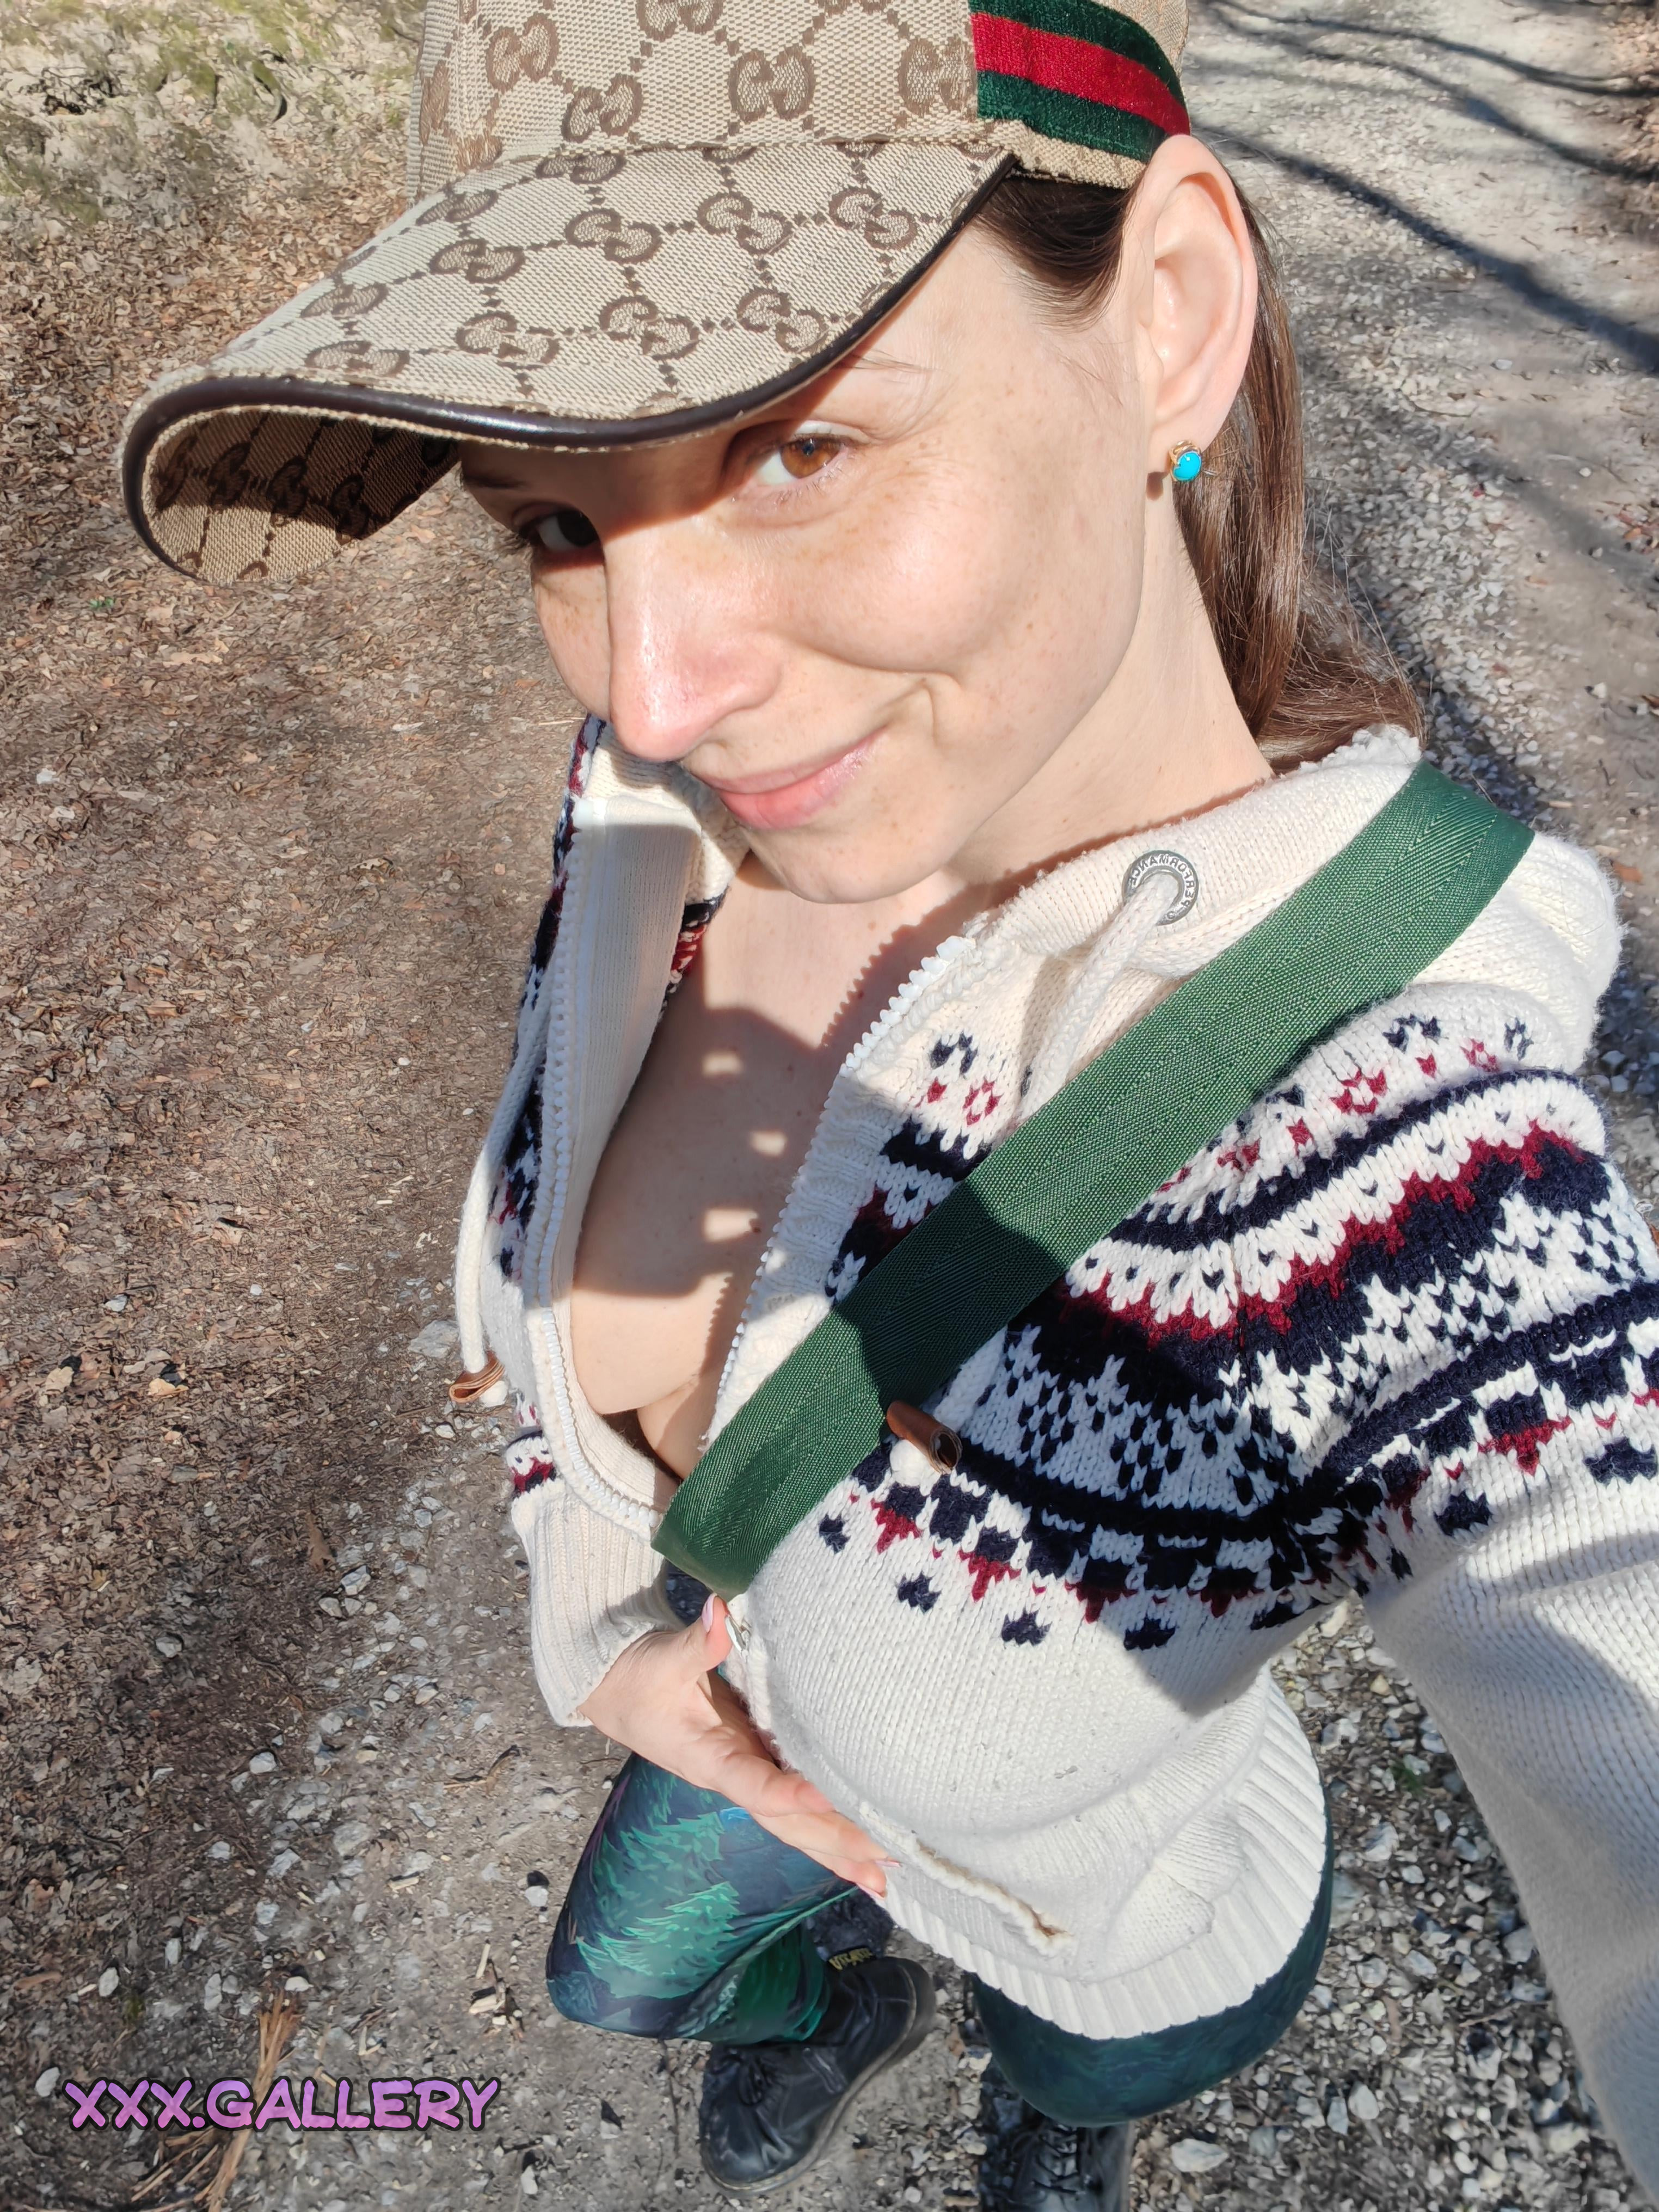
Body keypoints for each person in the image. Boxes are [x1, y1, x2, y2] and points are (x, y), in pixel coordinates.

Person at [120, 3, 1659, 2205]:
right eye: (554, 516)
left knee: (1099, 2036)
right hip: (721, 1728)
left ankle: (1062, 2112)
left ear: (1169, 323)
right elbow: (552, 1277)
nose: (651, 676)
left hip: (1122, 1922)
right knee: (611, 1980)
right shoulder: (659, 802)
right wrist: (606, 1619)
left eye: (793, 451)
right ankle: (841, 1983)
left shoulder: (1390, 1145)